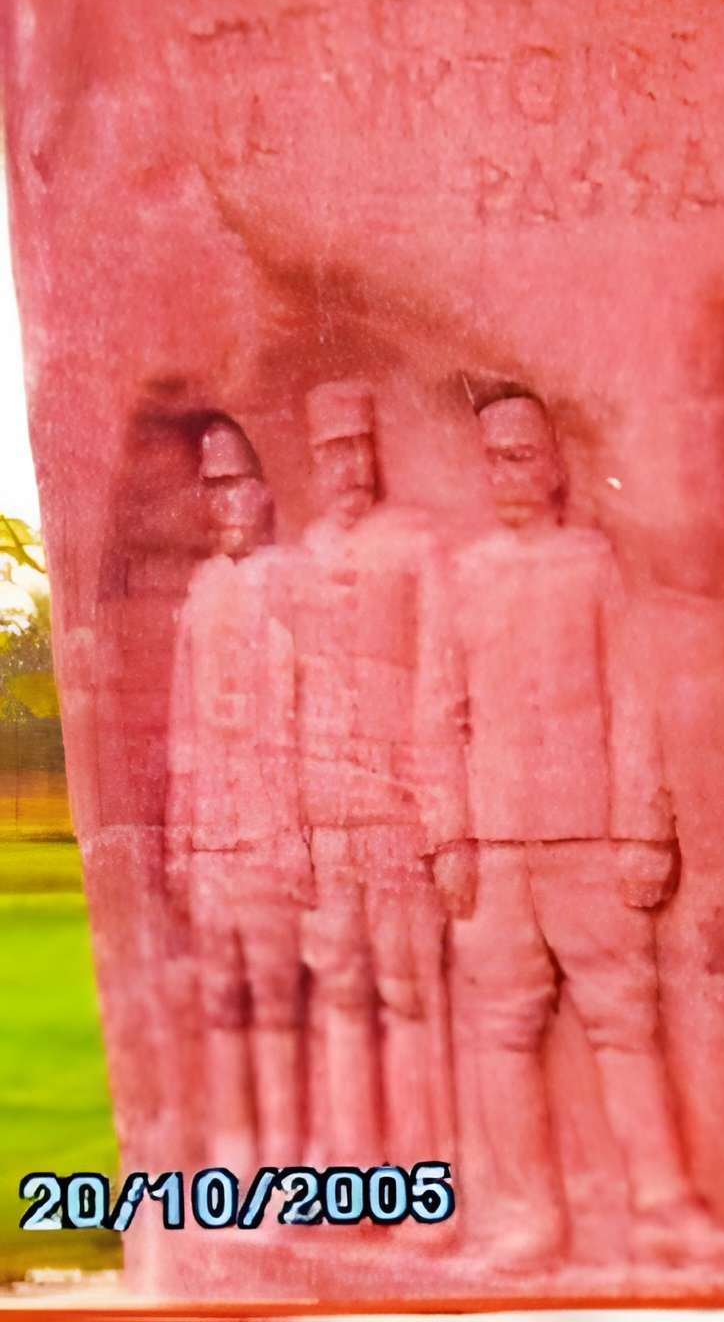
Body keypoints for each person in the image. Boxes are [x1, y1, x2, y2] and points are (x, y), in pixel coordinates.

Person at [424, 392, 724, 1271]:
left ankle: (665, 1208)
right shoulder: (462, 574)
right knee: (501, 1030)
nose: (508, 474)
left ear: (556, 462)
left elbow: (633, 699)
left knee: (624, 1023)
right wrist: (447, 837)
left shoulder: (592, 563)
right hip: (493, 843)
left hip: (590, 839)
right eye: (493, 459)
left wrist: (644, 829)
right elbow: (436, 715)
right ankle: (527, 1220)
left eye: (523, 455)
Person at [290, 379, 453, 1167]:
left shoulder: (416, 543)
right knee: (340, 990)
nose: (348, 465)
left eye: (357, 448)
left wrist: (440, 813)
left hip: (397, 809)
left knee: (410, 989)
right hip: (325, 816)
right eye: (331, 452)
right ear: (314, 463)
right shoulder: (303, 560)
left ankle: (428, 1176)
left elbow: (442, 678)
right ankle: (351, 1176)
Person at [165, 419, 309, 1182]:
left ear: (263, 492)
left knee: (279, 1005)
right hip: (215, 839)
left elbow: (306, 717)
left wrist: (297, 836)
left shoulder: (288, 582)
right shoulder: (201, 592)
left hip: (273, 833)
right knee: (223, 1003)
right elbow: (184, 724)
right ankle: (234, 1161)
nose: (223, 501)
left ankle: (286, 1164)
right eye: (211, 486)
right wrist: (181, 845)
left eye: (234, 484)